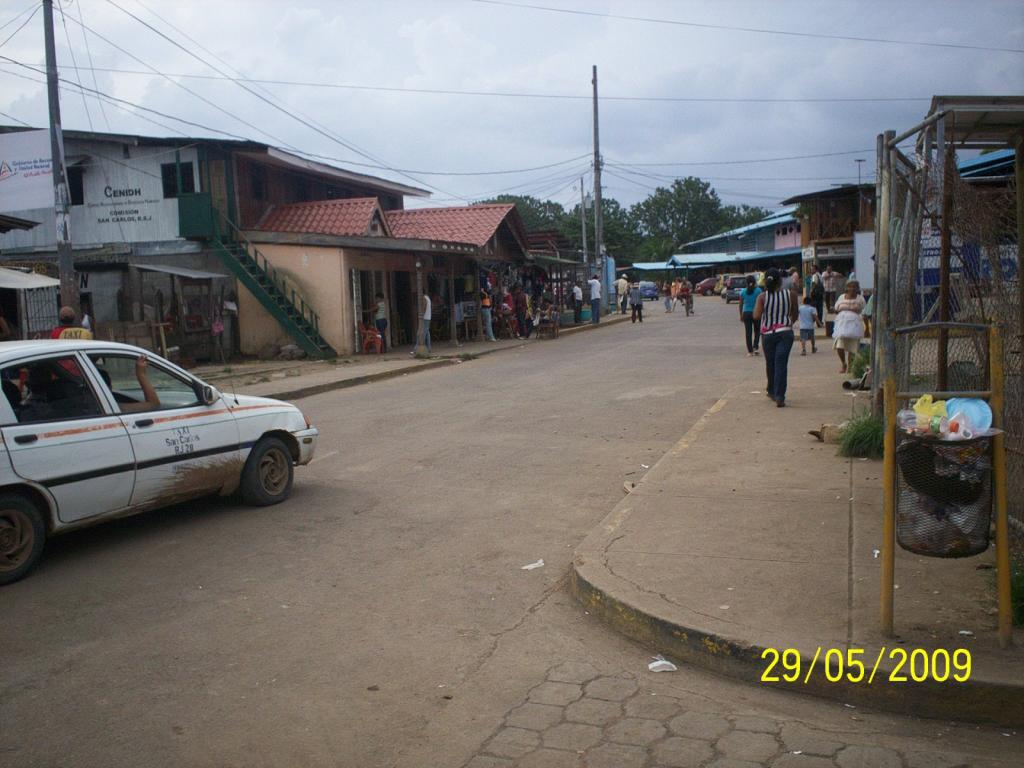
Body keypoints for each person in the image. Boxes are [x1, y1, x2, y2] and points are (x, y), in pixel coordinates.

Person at [753, 267, 798, 407]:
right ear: (780, 281)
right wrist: (787, 322)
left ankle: (772, 390)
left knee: (770, 363)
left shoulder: (762, 297)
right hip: (785, 332)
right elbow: (795, 313)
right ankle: (780, 396)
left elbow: (756, 316)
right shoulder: (791, 295)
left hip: (767, 335)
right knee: (781, 364)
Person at [832, 280, 865, 374]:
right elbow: (836, 309)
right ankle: (843, 363)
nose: (852, 288)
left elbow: (863, 310)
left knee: (853, 347)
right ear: (847, 287)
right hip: (842, 325)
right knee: (839, 345)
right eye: (850, 286)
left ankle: (850, 366)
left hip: (854, 325)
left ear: (857, 288)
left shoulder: (860, 298)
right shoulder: (841, 297)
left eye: (854, 286)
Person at [739, 275, 762, 356]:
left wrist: (740, 315)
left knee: (748, 332)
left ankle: (750, 351)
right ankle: (755, 347)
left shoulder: (743, 291)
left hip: (746, 313)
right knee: (757, 330)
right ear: (755, 282)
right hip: (756, 313)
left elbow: (741, 304)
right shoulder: (758, 291)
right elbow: (761, 303)